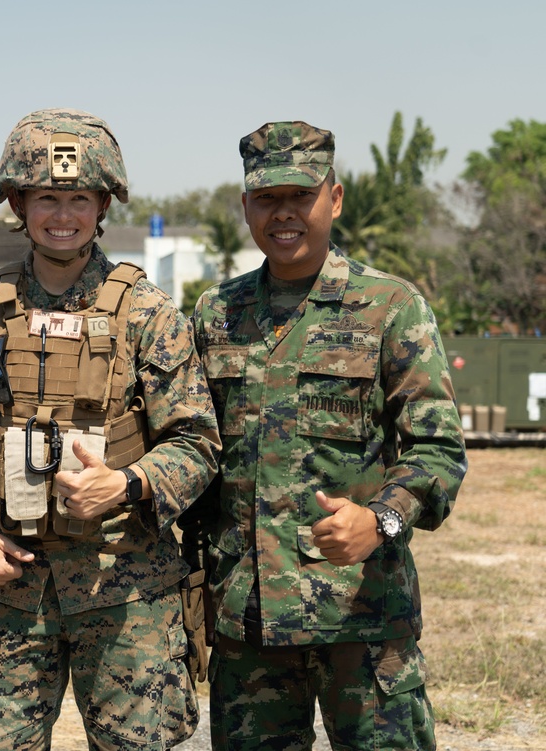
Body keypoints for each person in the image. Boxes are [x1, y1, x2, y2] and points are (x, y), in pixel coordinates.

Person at [0, 108, 221, 751]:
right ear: (19, 203)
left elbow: (197, 443)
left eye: (79, 198)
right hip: (9, 588)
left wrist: (130, 483)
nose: (63, 214)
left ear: (103, 203)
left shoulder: (149, 313)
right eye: (47, 198)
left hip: (127, 593)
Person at [189, 121, 467, 751]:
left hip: (361, 619)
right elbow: (194, 447)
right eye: (266, 198)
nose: (283, 214)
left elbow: (438, 449)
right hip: (248, 621)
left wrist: (382, 520)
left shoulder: (391, 307)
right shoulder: (215, 315)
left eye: (300, 196)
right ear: (245, 207)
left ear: (334, 199)